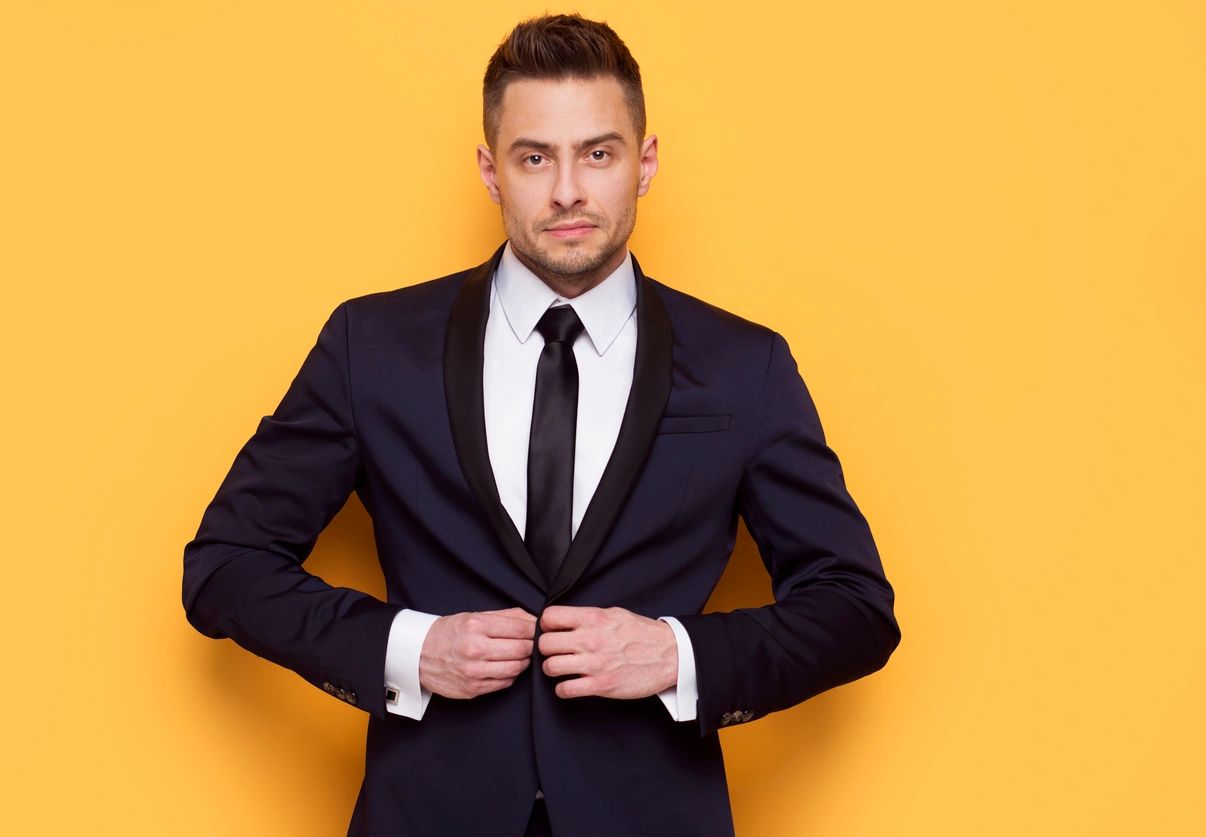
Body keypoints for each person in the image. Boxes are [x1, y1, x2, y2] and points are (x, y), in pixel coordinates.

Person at [181, 12, 900, 837]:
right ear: (490, 170)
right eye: (535, 157)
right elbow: (226, 565)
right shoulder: (371, 346)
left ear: (646, 161)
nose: (567, 190)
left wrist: (677, 656)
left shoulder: (746, 364)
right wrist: (407, 650)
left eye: (598, 153)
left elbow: (854, 607)